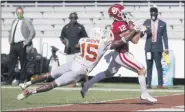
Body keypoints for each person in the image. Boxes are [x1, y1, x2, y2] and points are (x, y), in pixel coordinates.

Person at [80, 4, 157, 103]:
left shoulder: (119, 24)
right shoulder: (120, 25)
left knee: (108, 73)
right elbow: (134, 40)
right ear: (117, 14)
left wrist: (140, 31)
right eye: (121, 12)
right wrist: (138, 30)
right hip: (121, 54)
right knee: (141, 69)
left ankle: (87, 85)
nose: (124, 14)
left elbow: (132, 37)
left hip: (117, 53)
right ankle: (144, 94)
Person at [17, 27, 117, 100]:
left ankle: (27, 84)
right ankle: (31, 91)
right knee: (53, 84)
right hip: (80, 69)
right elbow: (115, 43)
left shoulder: (84, 40)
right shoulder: (103, 43)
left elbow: (77, 46)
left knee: (49, 74)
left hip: (74, 63)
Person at [6, 7, 35, 85]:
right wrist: (10, 40)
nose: (19, 14)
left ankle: (22, 80)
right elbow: (11, 31)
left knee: (23, 63)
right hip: (13, 44)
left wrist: (26, 42)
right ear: (16, 13)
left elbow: (32, 32)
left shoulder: (26, 21)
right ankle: (9, 81)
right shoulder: (14, 21)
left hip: (22, 44)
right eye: (18, 13)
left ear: (23, 13)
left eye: (20, 12)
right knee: (11, 63)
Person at [143, 6, 169, 89]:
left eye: (154, 12)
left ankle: (160, 84)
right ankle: (148, 84)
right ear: (150, 13)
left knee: (158, 66)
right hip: (148, 48)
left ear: (157, 13)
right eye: (151, 12)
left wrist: (166, 47)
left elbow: (165, 36)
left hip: (157, 48)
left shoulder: (162, 24)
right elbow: (142, 33)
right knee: (149, 66)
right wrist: (146, 30)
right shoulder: (146, 22)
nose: (153, 14)